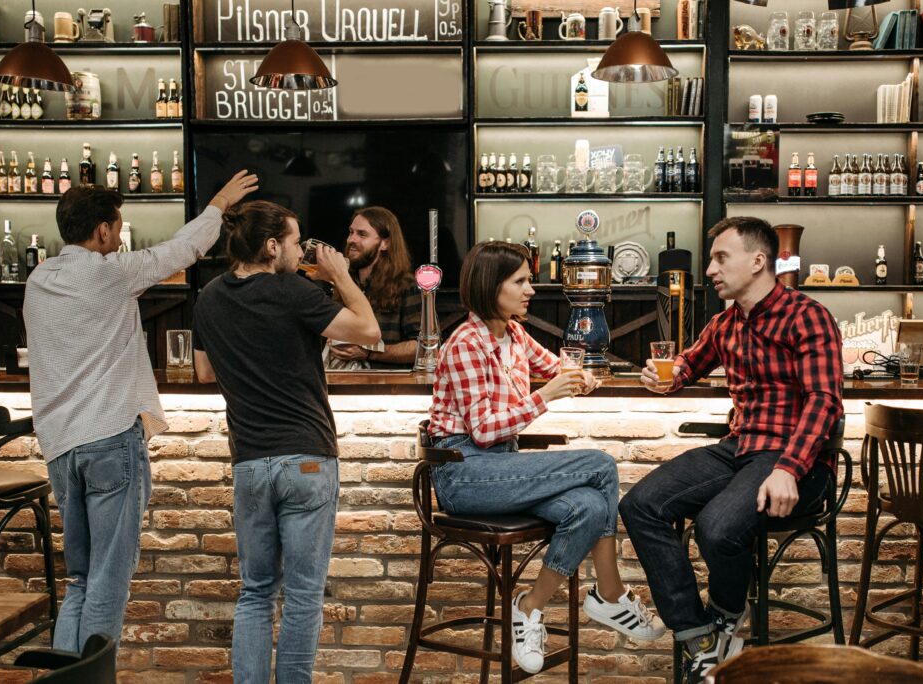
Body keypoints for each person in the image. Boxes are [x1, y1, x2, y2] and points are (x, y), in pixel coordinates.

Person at [24, 171, 258, 652]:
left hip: (61, 450)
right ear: (104, 231)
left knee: (81, 581)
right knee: (108, 584)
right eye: (118, 226)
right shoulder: (111, 274)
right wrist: (217, 202)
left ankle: (66, 682)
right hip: (109, 440)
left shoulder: (37, 279)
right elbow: (182, 249)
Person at [619, 217, 844, 683]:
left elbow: (825, 401)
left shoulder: (808, 315)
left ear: (758, 261)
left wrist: (789, 468)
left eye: (722, 258)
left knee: (717, 526)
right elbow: (689, 362)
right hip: (740, 448)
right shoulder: (726, 323)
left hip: (797, 460)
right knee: (640, 504)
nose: (712, 270)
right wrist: (667, 376)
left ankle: (725, 616)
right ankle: (698, 634)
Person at [427, 241, 665, 675]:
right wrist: (544, 396)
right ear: (489, 286)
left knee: (590, 507)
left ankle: (530, 606)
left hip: (505, 467)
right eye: (519, 281)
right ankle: (610, 593)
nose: (531, 289)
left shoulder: (514, 335)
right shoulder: (464, 343)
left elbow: (558, 365)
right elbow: (482, 429)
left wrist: (581, 377)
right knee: (600, 464)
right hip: (463, 474)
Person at [191, 201, 380, 683]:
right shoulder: (291, 290)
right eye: (295, 242)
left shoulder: (210, 297)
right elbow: (368, 331)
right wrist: (341, 275)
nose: (300, 252)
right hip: (307, 459)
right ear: (272, 246)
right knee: (301, 596)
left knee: (255, 593)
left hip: (250, 463)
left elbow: (203, 371)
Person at [326, 206, 421, 369]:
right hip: (341, 385)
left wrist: (369, 353)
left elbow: (422, 347)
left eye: (362, 234)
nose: (351, 240)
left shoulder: (407, 286)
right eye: (351, 232)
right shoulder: (344, 282)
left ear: (385, 243)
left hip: (386, 388)